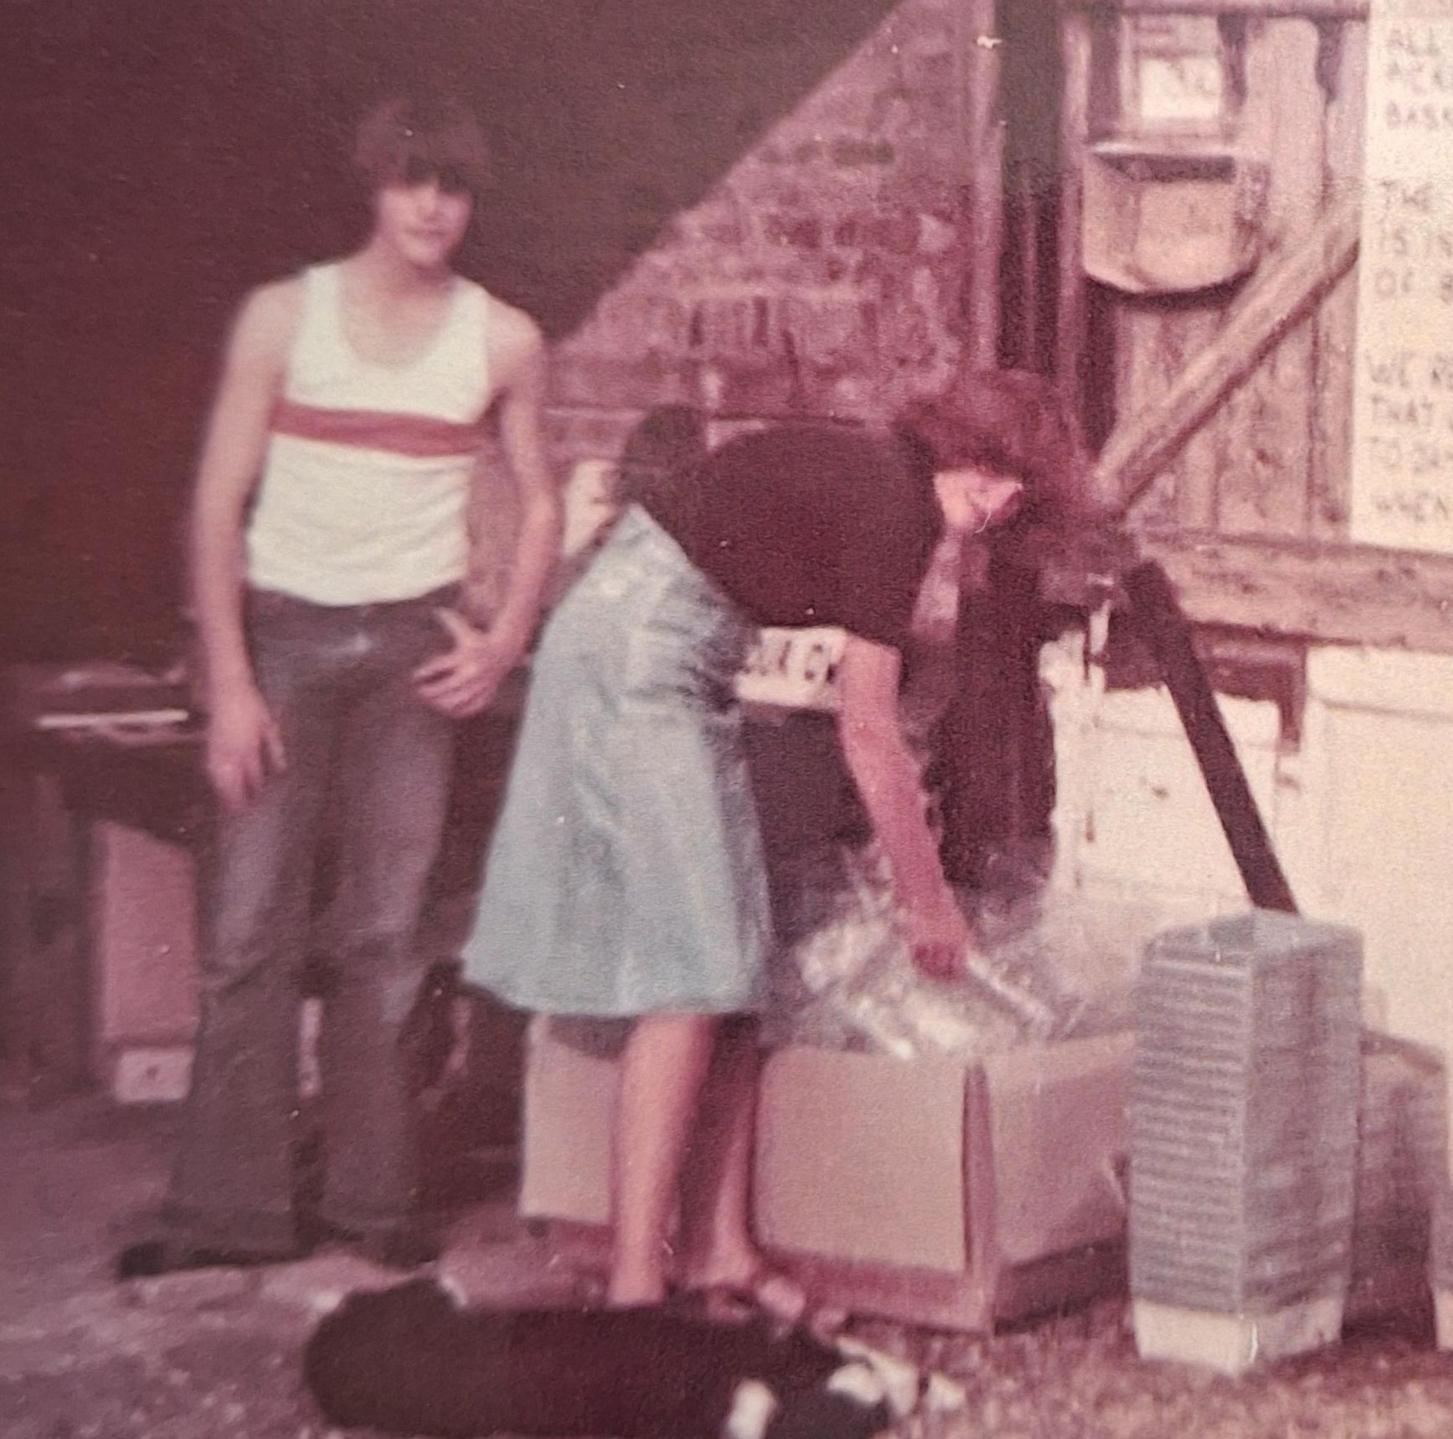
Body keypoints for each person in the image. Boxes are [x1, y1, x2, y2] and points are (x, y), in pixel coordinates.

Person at [461, 369, 1085, 1321]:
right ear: (959, 448)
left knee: (738, 960)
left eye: (1019, 492)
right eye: (999, 474)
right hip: (639, 649)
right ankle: (638, 1288)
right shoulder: (895, 508)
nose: (1002, 503)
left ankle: (719, 1249)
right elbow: (869, 733)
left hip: (679, 647)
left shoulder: (888, 489)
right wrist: (928, 901)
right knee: (694, 971)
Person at [118, 94, 561, 1278]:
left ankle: (372, 1207)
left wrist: (505, 637)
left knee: (386, 936)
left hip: (410, 658)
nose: (432, 205)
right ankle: (228, 1213)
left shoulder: (502, 337)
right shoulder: (284, 318)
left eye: (454, 186)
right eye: (411, 178)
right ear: (372, 184)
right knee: (248, 931)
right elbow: (216, 501)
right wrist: (230, 680)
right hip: (285, 642)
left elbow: (542, 496)